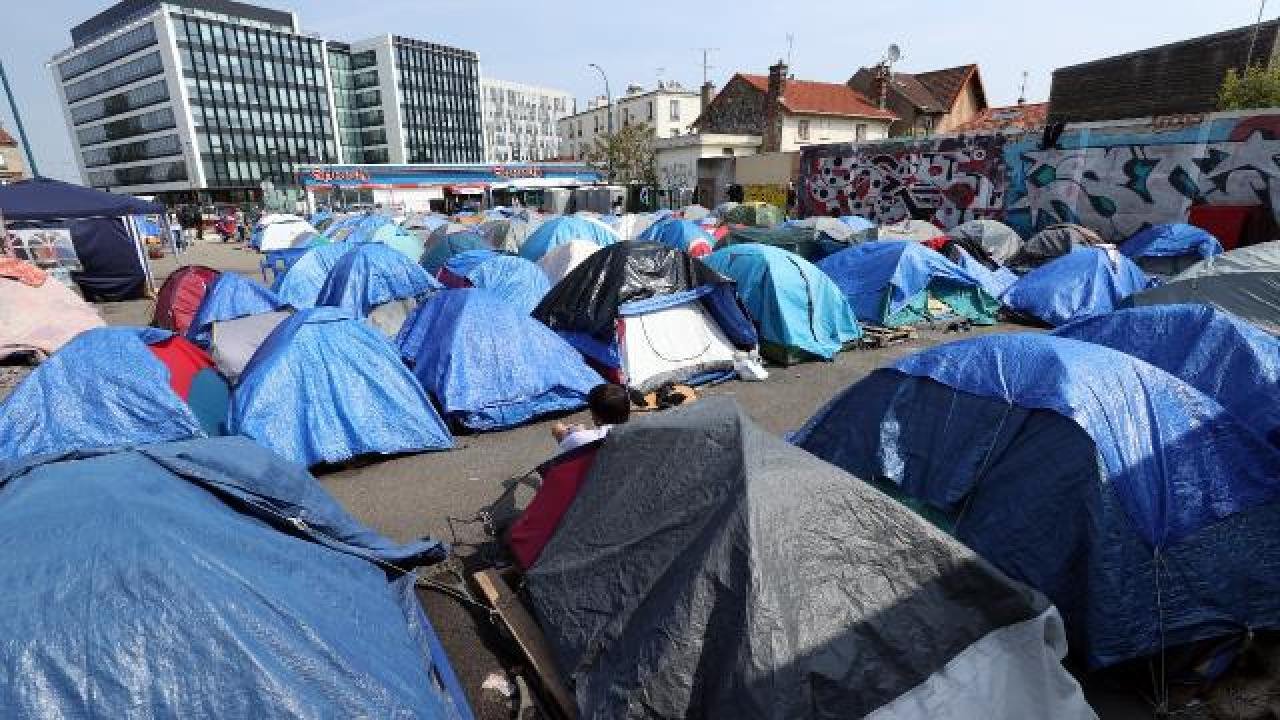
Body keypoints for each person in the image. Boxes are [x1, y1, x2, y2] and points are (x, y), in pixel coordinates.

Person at [551, 383, 630, 455]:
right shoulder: (633, 432)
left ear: (598, 418)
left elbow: (558, 433)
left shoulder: (579, 439)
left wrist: (571, 430)